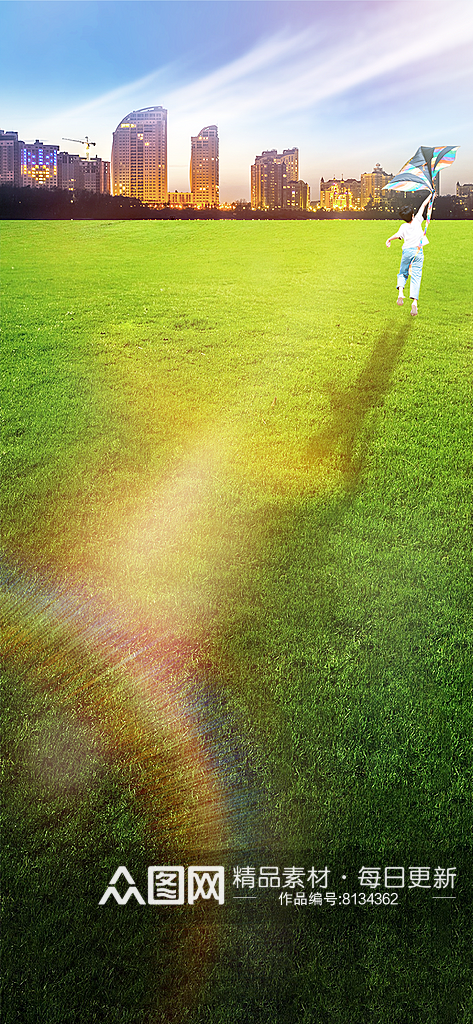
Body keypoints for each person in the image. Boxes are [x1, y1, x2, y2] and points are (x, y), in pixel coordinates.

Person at [385, 192, 433, 316]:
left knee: (403, 273)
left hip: (407, 251)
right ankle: (414, 303)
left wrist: (389, 239)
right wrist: (431, 196)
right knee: (416, 276)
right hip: (418, 252)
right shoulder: (417, 220)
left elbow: (397, 236)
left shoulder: (403, 227)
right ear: (412, 215)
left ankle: (401, 292)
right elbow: (423, 206)